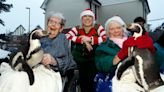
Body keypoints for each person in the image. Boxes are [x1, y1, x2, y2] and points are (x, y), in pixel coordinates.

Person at [66, 8, 106, 92]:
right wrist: (82, 40)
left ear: (93, 19)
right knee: (82, 80)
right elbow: (67, 36)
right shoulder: (77, 28)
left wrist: (90, 40)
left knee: (92, 80)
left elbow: (105, 38)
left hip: (94, 58)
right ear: (81, 19)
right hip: (79, 59)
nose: (87, 18)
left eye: (89, 16)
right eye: (85, 16)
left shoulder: (98, 27)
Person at [35, 12, 77, 92]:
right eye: (51, 22)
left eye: (57, 23)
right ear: (47, 24)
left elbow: (66, 62)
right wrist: (34, 36)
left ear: (61, 28)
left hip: (52, 73)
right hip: (37, 70)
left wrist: (53, 61)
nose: (53, 25)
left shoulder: (62, 38)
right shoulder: (41, 38)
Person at [94, 16, 129, 92]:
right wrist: (117, 58)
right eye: (112, 29)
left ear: (123, 29)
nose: (116, 31)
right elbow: (101, 64)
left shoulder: (132, 41)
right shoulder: (103, 46)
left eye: (118, 28)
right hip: (113, 77)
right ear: (108, 31)